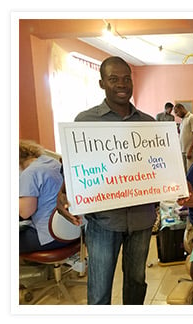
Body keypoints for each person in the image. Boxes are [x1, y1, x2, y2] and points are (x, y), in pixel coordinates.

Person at [57, 56, 156, 305]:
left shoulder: (149, 124)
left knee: (136, 283)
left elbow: (160, 164)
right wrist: (63, 192)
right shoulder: (85, 121)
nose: (121, 84)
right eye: (113, 79)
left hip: (142, 218)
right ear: (102, 83)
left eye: (126, 78)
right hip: (103, 220)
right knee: (100, 290)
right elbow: (73, 168)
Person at [19, 140, 68, 254]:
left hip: (52, 237)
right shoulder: (52, 162)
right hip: (72, 232)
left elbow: (25, 212)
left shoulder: (29, 173)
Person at [173, 103, 193, 171]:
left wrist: (190, 150)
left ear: (181, 108)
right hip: (183, 150)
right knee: (183, 171)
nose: (176, 115)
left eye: (177, 112)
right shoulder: (183, 120)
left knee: (190, 171)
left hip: (190, 150)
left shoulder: (192, 118)